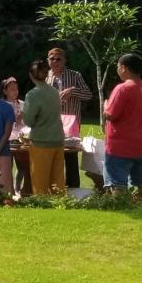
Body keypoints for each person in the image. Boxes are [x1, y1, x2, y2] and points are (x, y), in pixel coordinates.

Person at [103, 53, 142, 196]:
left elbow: (111, 115)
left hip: (120, 146)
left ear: (124, 68)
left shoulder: (122, 88)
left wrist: (105, 105)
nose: (117, 70)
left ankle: (120, 208)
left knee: (117, 183)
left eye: (118, 67)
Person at [46, 48, 92, 188]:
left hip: (70, 124)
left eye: (58, 59)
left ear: (65, 60)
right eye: (52, 58)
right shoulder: (45, 77)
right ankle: (54, 188)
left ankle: (73, 189)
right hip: (50, 124)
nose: (55, 61)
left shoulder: (74, 75)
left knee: (70, 157)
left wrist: (72, 91)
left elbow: (88, 95)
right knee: (52, 156)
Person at [22, 59, 66, 196]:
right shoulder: (54, 92)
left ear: (31, 75)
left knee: (40, 182)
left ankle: (42, 204)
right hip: (58, 139)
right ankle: (60, 205)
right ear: (46, 75)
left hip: (41, 142)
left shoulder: (32, 95)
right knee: (57, 180)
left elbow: (28, 121)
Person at [2, 77, 29, 195]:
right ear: (5, 91)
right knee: (8, 165)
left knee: (22, 166)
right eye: (12, 89)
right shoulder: (2, 105)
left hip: (20, 139)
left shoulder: (22, 104)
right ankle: (10, 190)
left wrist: (23, 117)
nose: (15, 92)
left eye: (16, 89)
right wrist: (14, 119)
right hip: (7, 139)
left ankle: (18, 187)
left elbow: (28, 122)